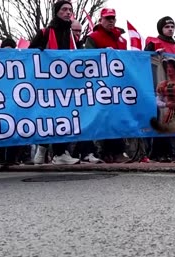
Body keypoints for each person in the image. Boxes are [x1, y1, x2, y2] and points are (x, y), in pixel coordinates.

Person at [29, 0, 80, 165]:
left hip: (67, 84)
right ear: (56, 12)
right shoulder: (44, 32)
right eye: (64, 9)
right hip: (48, 84)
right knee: (50, 117)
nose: (67, 12)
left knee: (63, 117)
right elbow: (29, 55)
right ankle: (46, 150)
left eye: (70, 10)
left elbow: (80, 55)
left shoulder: (71, 34)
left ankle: (58, 153)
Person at [83, 8, 131, 163]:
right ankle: (108, 151)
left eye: (113, 18)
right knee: (104, 117)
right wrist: (103, 53)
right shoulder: (93, 38)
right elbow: (88, 58)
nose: (111, 21)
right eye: (108, 18)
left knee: (116, 116)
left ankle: (114, 151)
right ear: (101, 20)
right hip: (101, 84)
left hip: (118, 84)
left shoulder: (121, 40)